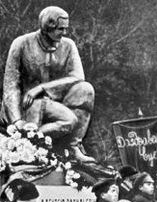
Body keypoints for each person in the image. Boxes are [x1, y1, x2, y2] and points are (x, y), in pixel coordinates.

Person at [1, 6, 95, 162]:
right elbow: (11, 85)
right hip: (28, 105)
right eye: (60, 29)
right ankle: (27, 140)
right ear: (47, 27)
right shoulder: (21, 44)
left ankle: (72, 147)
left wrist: (43, 88)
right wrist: (17, 121)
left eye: (66, 28)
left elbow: (78, 76)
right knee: (67, 120)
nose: (64, 33)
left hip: (55, 101)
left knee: (85, 89)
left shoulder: (68, 45)